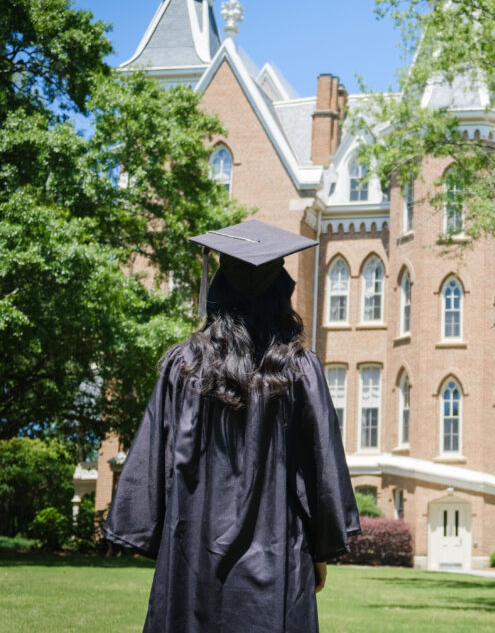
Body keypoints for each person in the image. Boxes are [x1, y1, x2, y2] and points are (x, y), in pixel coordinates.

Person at [103, 219, 360, 633]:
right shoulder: (299, 372)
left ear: (219, 291)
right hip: (278, 563)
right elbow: (321, 473)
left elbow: (152, 470)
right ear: (281, 291)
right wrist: (320, 551)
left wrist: (161, 538)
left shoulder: (183, 367)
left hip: (193, 563)